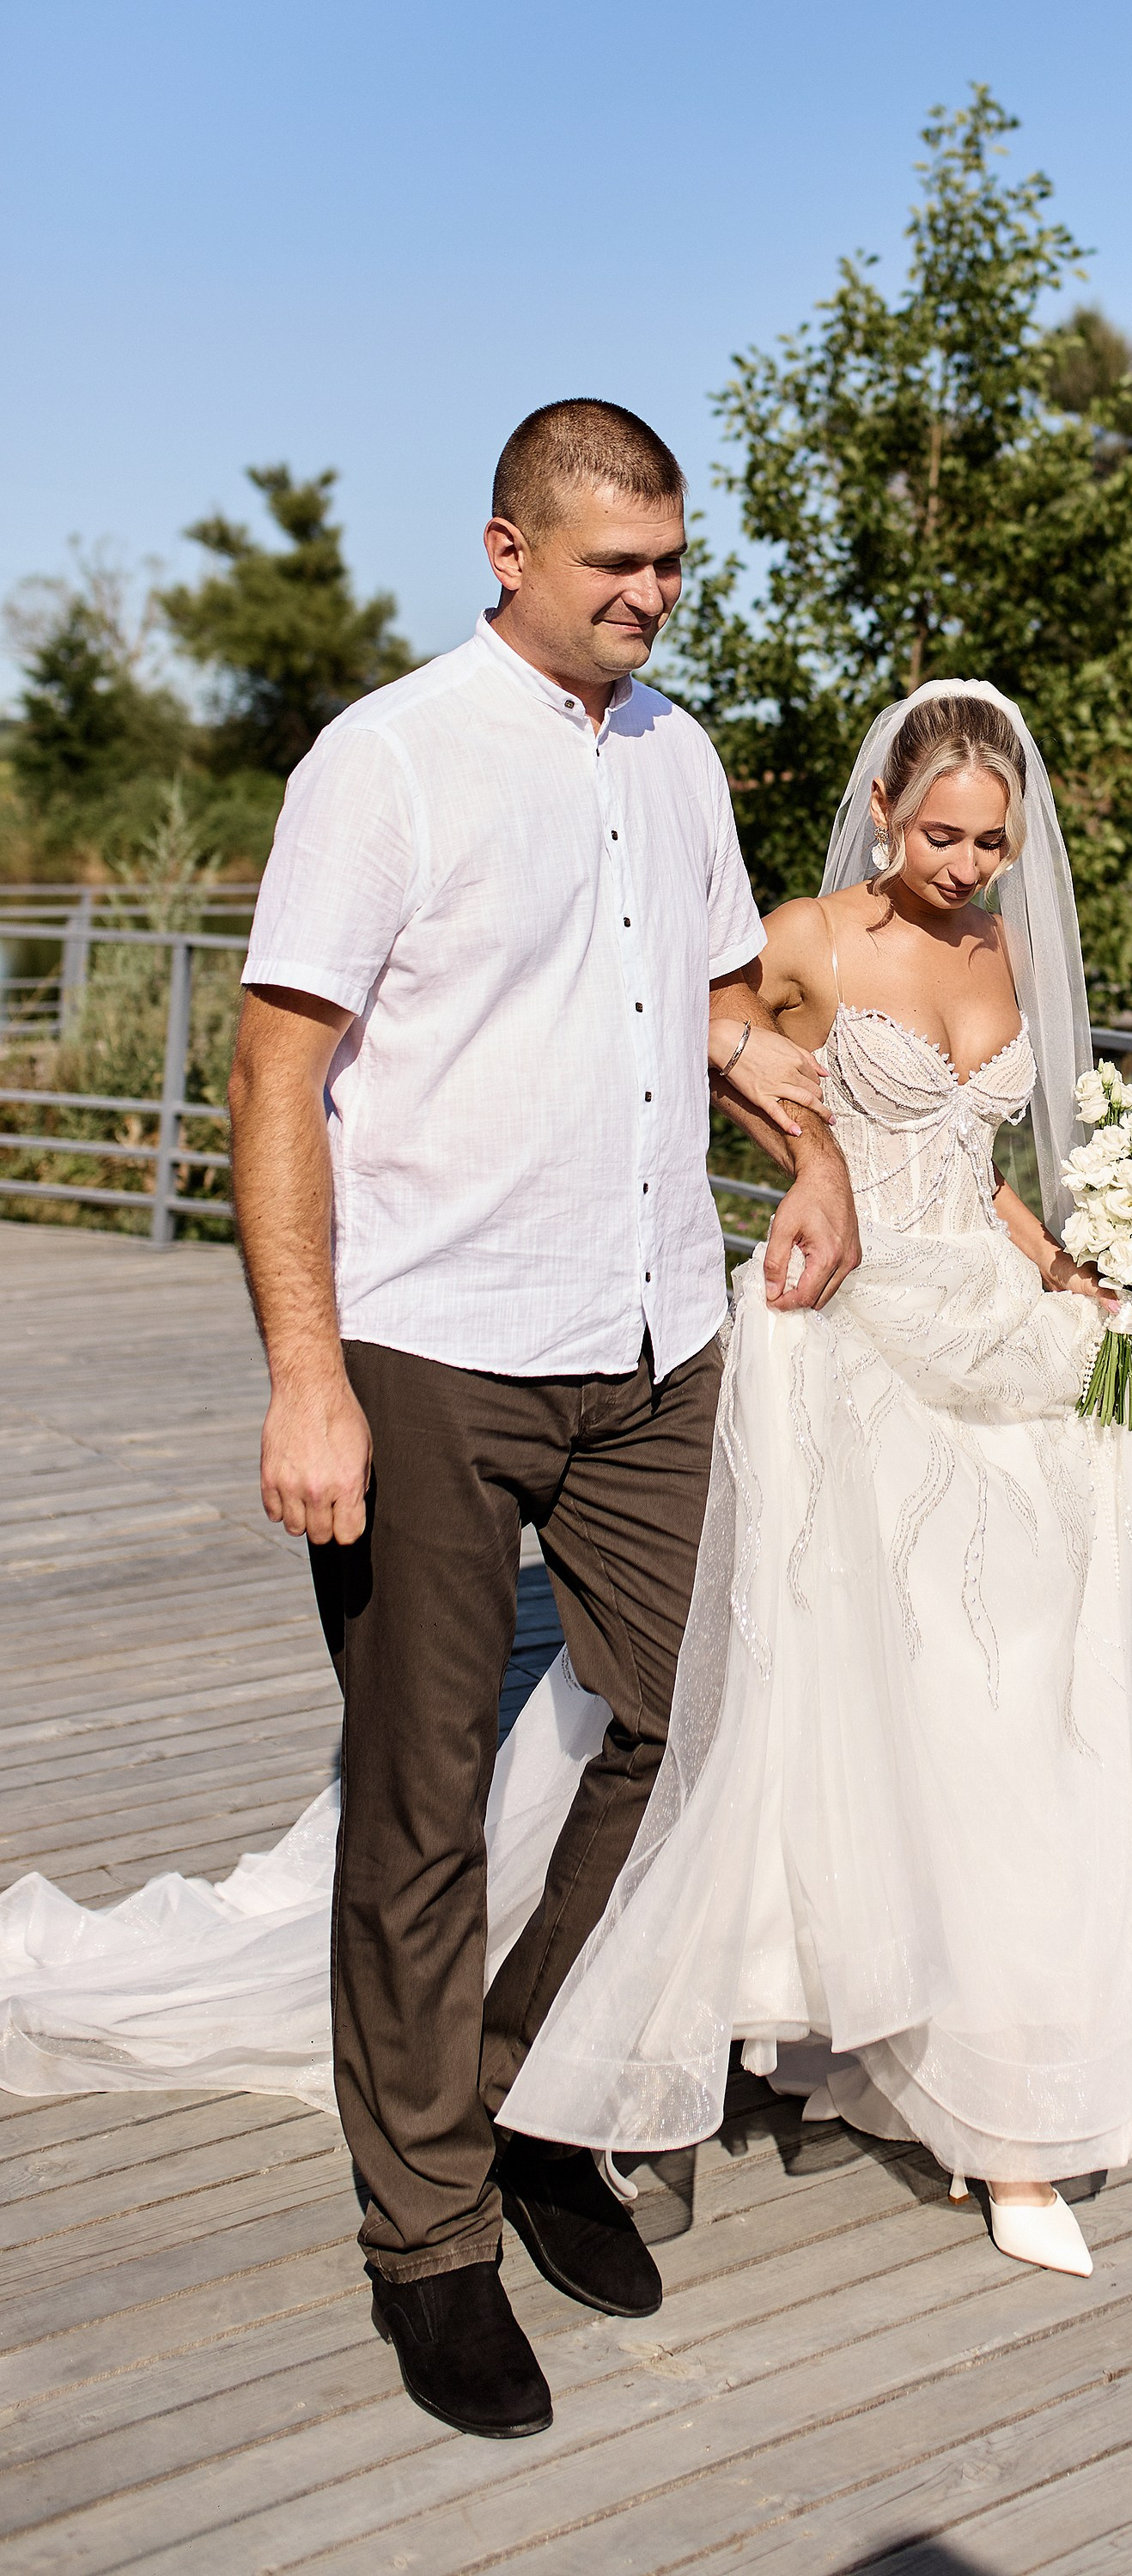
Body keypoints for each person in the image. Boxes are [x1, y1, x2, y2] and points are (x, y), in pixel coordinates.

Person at [0, 683, 1132, 2381]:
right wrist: (791, 1196)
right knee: (779, 1700)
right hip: (803, 1335)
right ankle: (531, 2170)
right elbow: (716, 1060)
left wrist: (1073, 1256)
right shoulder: (793, 938)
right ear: (887, 813)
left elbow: (971, 1162)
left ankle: (965, 2061)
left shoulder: (988, 951)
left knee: (1002, 1706)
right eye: (941, 834)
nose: (968, 867)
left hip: (984, 1329)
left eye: (992, 842)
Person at [2, 398, 859, 2443]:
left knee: (691, 1719)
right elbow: (272, 1077)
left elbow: (717, 1005)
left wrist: (802, 1144)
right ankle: (431, 2243)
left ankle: (535, 2096)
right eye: (611, 567)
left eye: (670, 563)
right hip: (434, 1349)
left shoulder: (680, 760)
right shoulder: (378, 759)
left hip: (653, 1336)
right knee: (423, 1799)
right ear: (505, 551)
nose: (649, 597)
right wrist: (307, 1373)